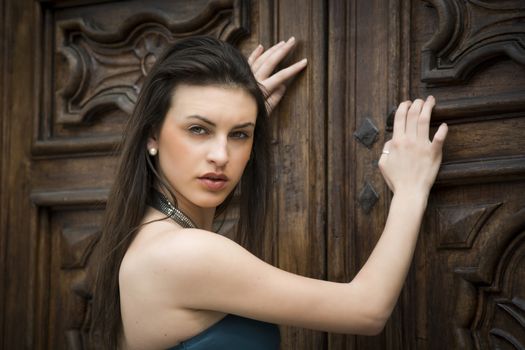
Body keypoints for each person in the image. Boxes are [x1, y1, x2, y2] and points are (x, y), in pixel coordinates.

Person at [90, 35, 448, 350]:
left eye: (240, 134)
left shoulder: (142, 233)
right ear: (152, 135)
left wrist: (236, 111)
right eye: (198, 129)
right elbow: (366, 309)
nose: (221, 156)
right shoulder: (183, 252)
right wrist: (411, 189)